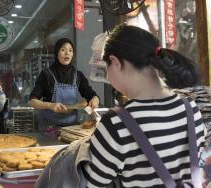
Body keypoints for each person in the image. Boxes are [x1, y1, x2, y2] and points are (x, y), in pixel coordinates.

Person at [82, 25, 206, 187]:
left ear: (115, 62)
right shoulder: (190, 108)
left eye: (106, 68)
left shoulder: (115, 123)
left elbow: (94, 183)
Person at [28, 38, 100, 129]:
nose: (67, 53)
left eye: (70, 50)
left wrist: (95, 99)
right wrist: (50, 105)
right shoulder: (46, 75)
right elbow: (32, 101)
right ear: (56, 53)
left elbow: (91, 95)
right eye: (63, 50)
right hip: (49, 128)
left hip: (72, 128)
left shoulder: (78, 75)